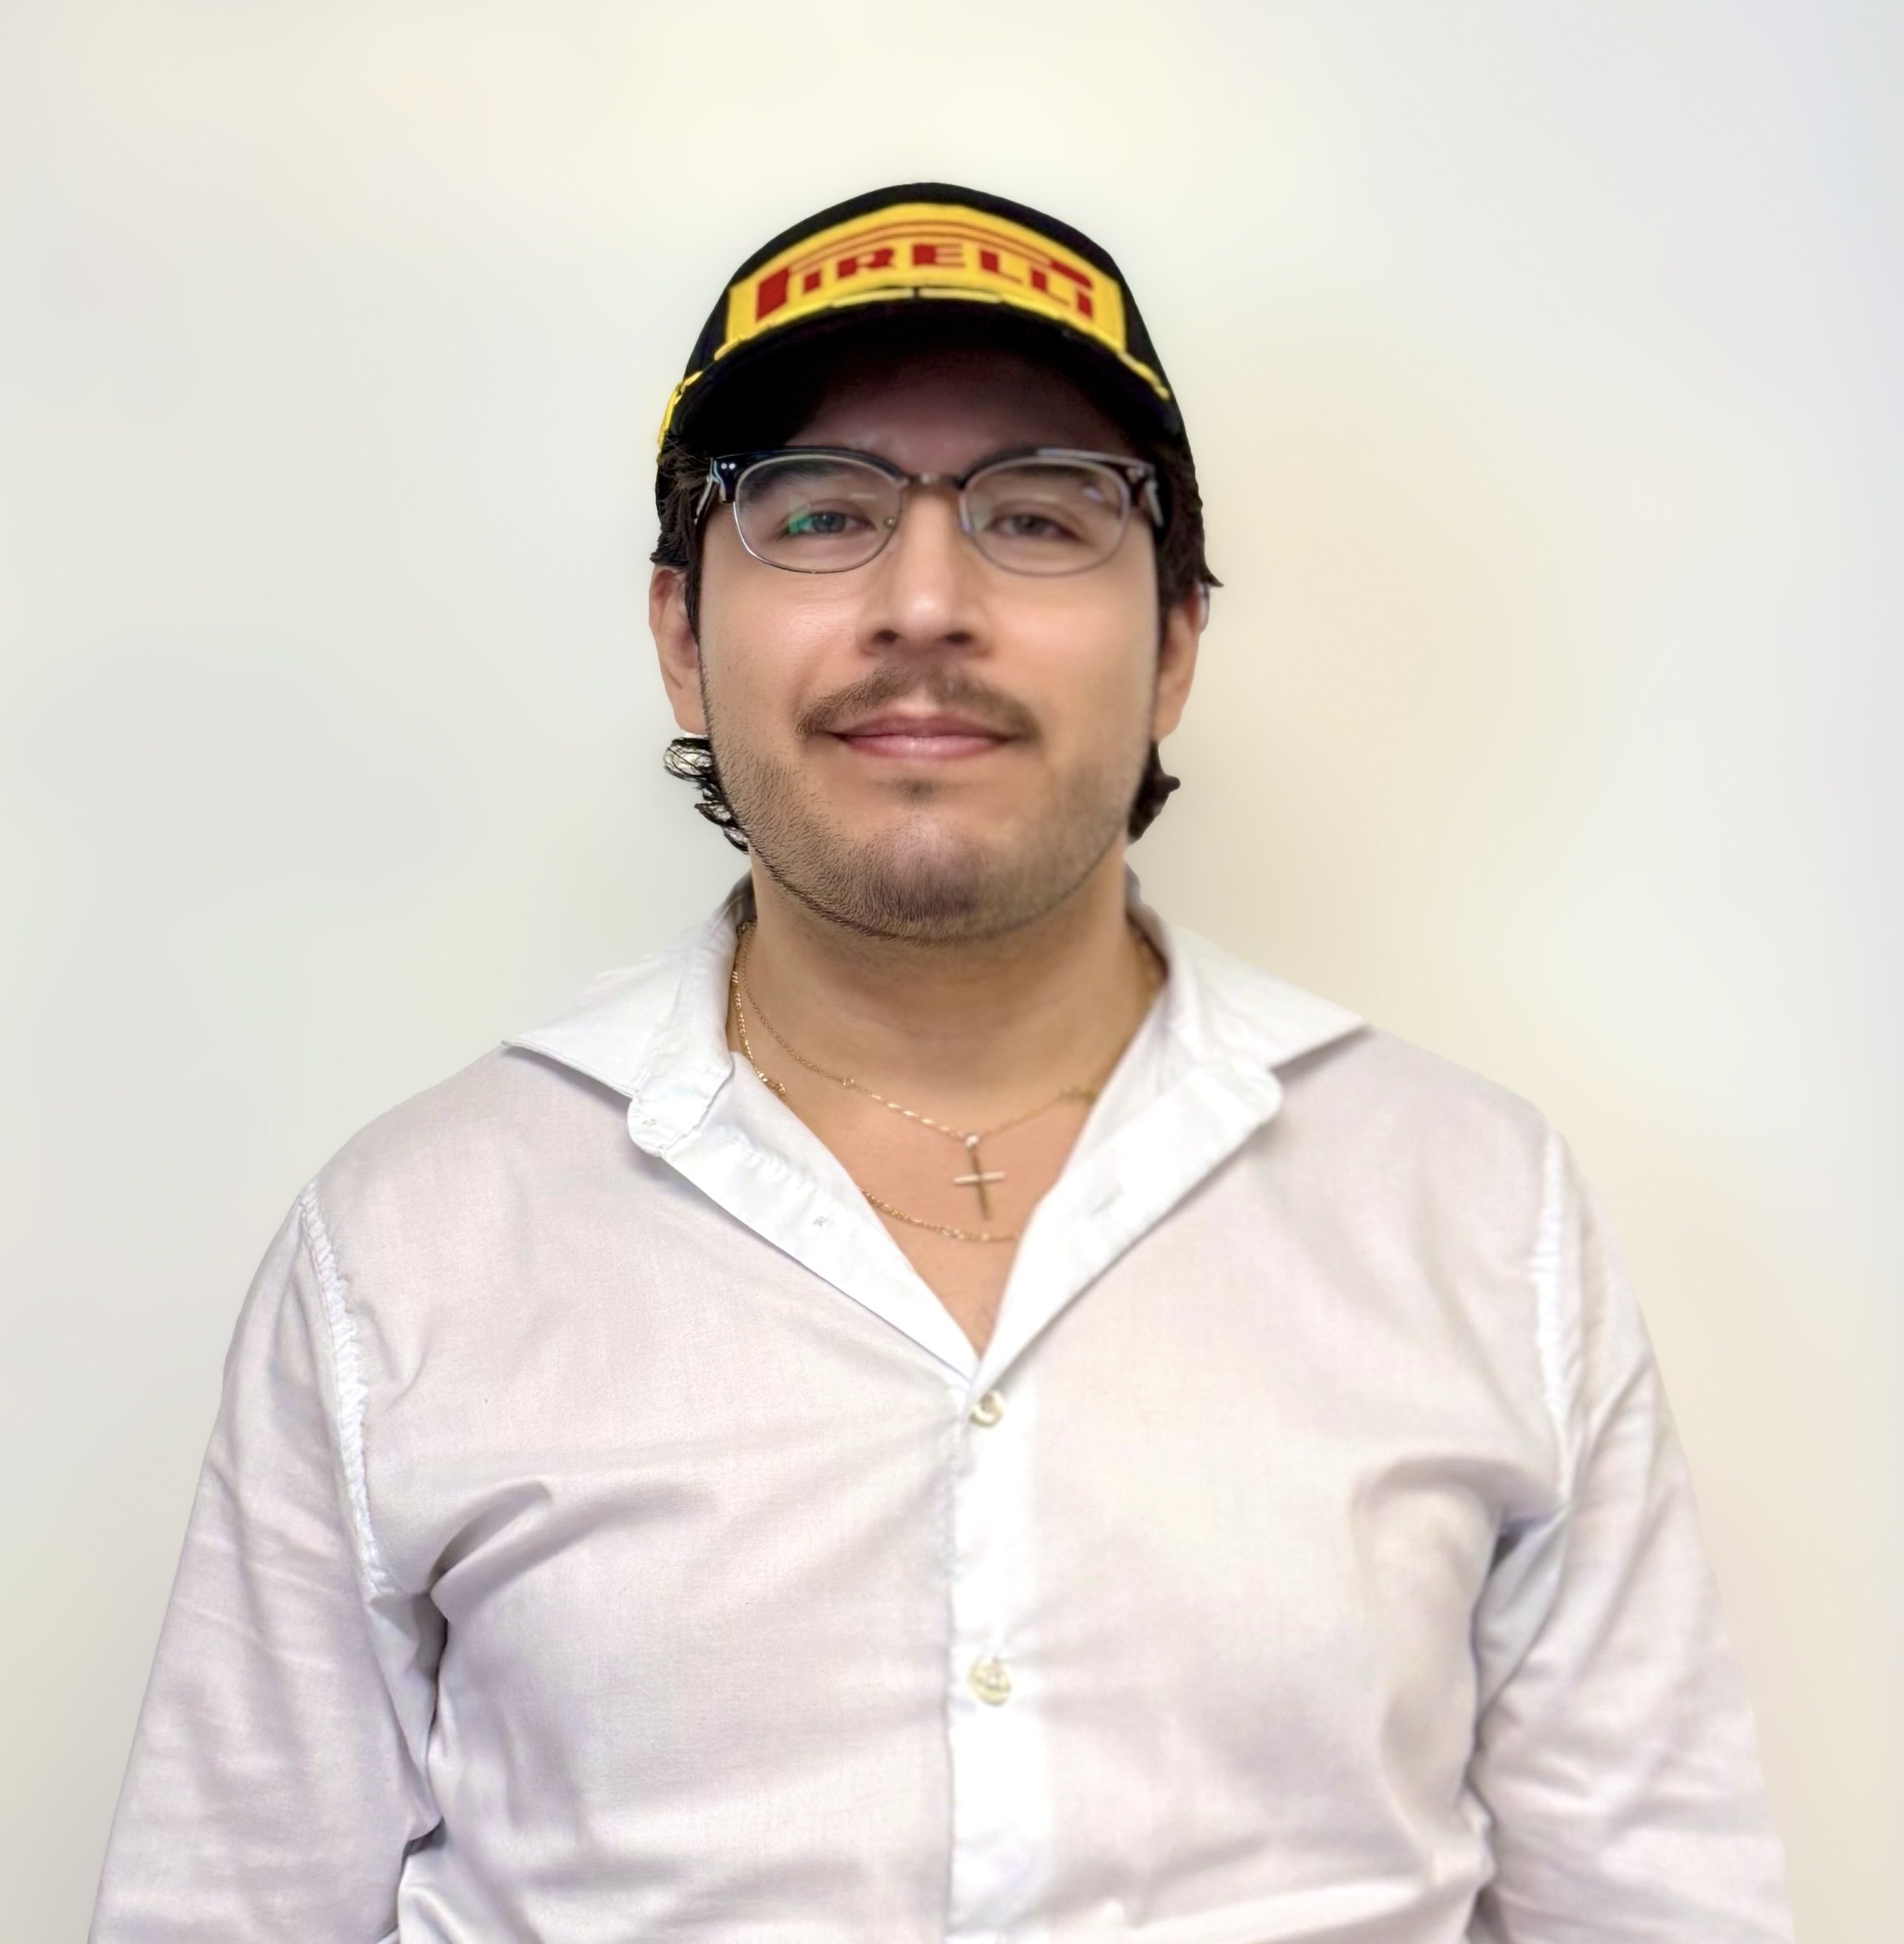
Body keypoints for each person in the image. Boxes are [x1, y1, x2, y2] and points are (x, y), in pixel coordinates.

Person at [91, 184, 1793, 1942]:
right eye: (816, 512)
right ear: (681, 637)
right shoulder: (409, 1242)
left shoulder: (1474, 1209)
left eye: (1040, 518)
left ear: (1175, 644)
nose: (923, 602)